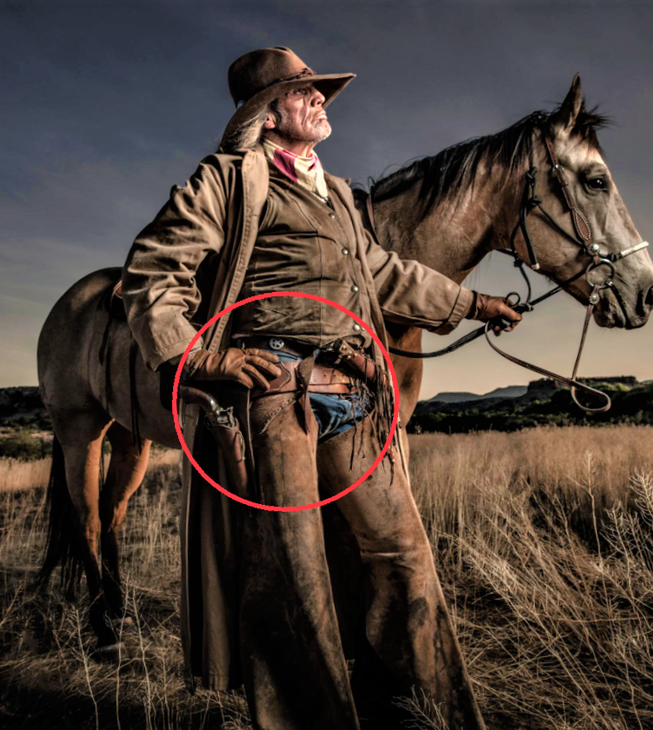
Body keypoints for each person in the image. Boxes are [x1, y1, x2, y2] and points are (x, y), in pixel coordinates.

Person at [121, 46, 519, 730]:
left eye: (319, 90)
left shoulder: (334, 192)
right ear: (268, 111)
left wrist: (471, 303)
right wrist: (199, 356)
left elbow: (387, 272)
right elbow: (152, 275)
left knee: (405, 557)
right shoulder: (227, 180)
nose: (320, 99)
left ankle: (433, 715)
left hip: (353, 394)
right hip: (277, 395)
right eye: (304, 91)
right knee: (295, 579)